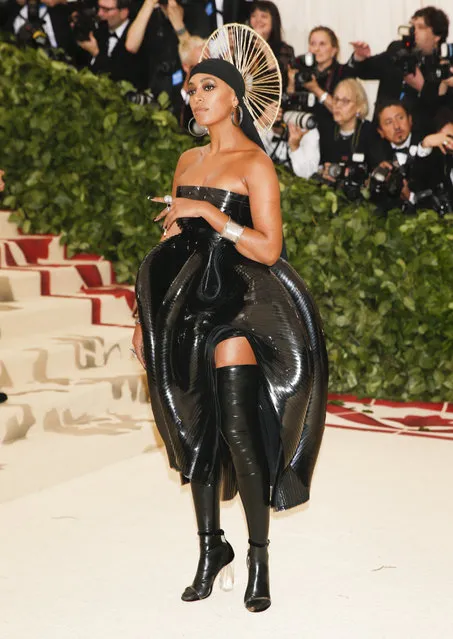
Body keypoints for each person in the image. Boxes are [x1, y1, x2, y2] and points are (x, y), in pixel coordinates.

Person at [133, 28, 328, 613]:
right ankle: (209, 549)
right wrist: (142, 319)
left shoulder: (255, 164)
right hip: (185, 304)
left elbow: (269, 250)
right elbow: (168, 244)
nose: (195, 97)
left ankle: (259, 554)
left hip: (243, 301)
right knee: (192, 422)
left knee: (240, 430)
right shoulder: (187, 158)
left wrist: (210, 215)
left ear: (235, 97)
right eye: (192, 88)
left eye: (208, 87)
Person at [350, 6, 450, 132]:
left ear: (437, 36)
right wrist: (359, 57)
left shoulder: (445, 66)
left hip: (419, 139)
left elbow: (443, 110)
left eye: (420, 27)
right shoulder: (397, 50)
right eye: (412, 26)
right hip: (382, 134)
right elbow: (364, 71)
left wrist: (422, 87)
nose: (414, 32)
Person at [76, 0, 148, 89]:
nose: (100, 13)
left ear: (123, 13)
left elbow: (122, 77)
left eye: (106, 10)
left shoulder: (137, 37)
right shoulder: (97, 31)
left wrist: (96, 53)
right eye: (99, 8)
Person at [318, 78, 376, 168]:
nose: (337, 105)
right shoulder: (326, 130)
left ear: (359, 107)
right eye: (336, 99)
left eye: (345, 101)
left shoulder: (371, 133)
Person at [248, 1, 294, 90]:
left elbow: (279, 81)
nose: (258, 20)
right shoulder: (242, 46)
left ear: (274, 21)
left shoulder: (284, 49)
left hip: (274, 101)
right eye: (254, 16)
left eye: (264, 16)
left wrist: (264, 48)